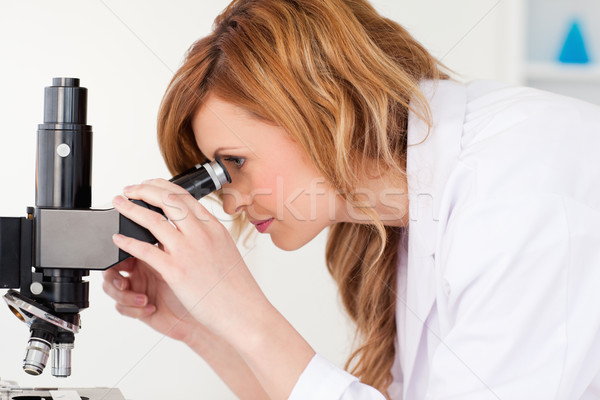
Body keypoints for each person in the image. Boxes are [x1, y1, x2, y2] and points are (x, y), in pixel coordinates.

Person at [102, 0, 600, 399]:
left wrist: (242, 310)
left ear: (323, 105)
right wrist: (202, 327)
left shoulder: (520, 189)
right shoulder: (408, 213)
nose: (230, 205)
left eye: (234, 163)